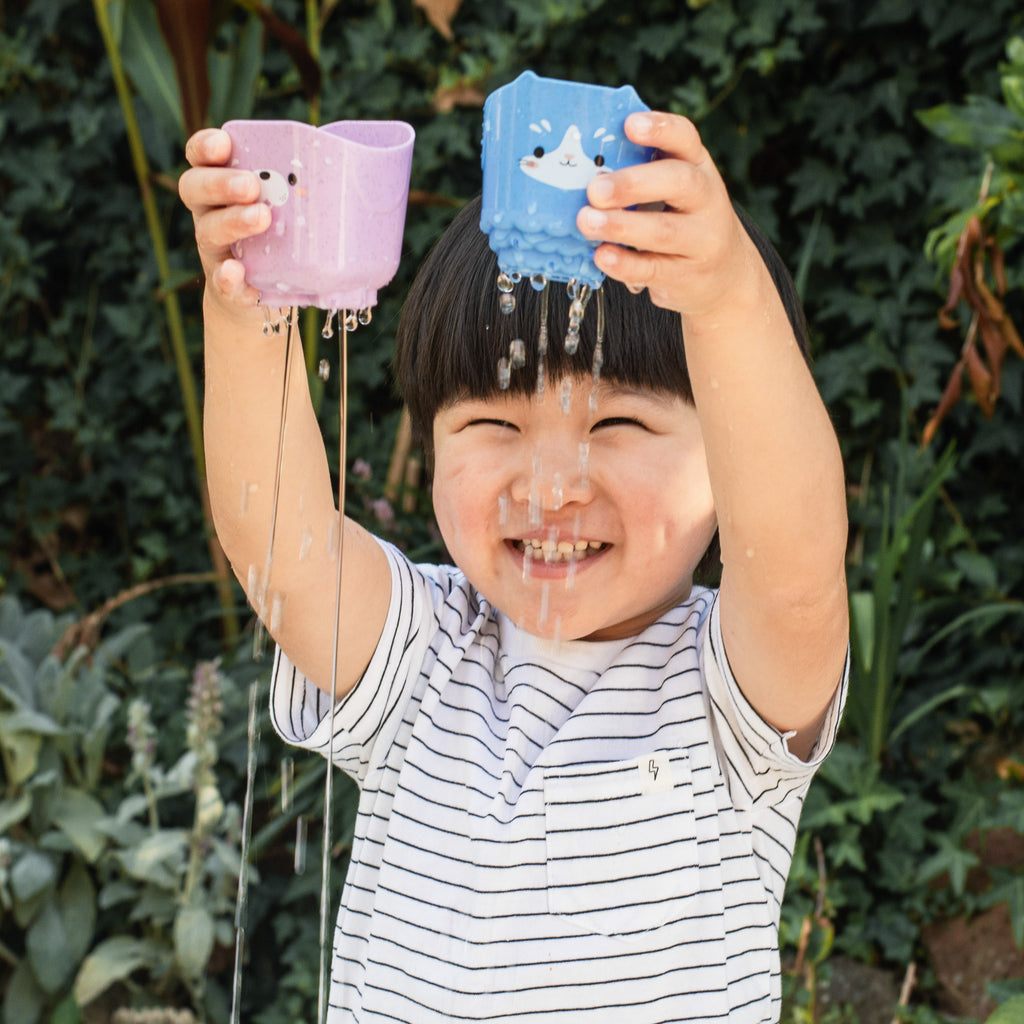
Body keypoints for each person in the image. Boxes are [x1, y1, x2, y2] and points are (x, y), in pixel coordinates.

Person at [179, 109, 849, 1023]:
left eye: (617, 426)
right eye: (494, 427)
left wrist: (726, 297)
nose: (551, 486)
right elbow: (279, 547)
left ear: (727, 456)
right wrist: (249, 308)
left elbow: (798, 568)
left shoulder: (729, 696)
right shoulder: (424, 654)